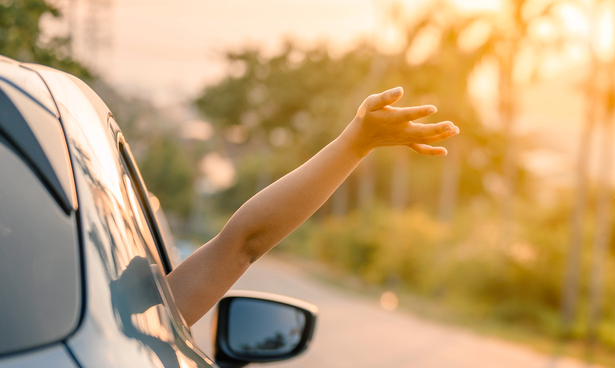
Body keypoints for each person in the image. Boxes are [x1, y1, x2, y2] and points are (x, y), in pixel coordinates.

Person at [166, 86, 459, 325]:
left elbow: (242, 243)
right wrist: (355, 143)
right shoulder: (144, 322)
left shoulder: (142, 321)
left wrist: (357, 142)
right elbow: (241, 245)